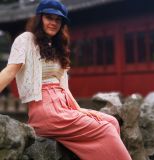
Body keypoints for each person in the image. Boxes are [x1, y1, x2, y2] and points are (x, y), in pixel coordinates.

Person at [0, 0, 132, 159]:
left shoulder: (57, 47)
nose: (54, 23)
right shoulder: (26, 39)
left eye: (58, 19)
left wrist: (78, 109)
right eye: (49, 17)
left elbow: (64, 87)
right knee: (105, 129)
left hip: (64, 106)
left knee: (112, 121)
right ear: (39, 18)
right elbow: (9, 71)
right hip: (45, 111)